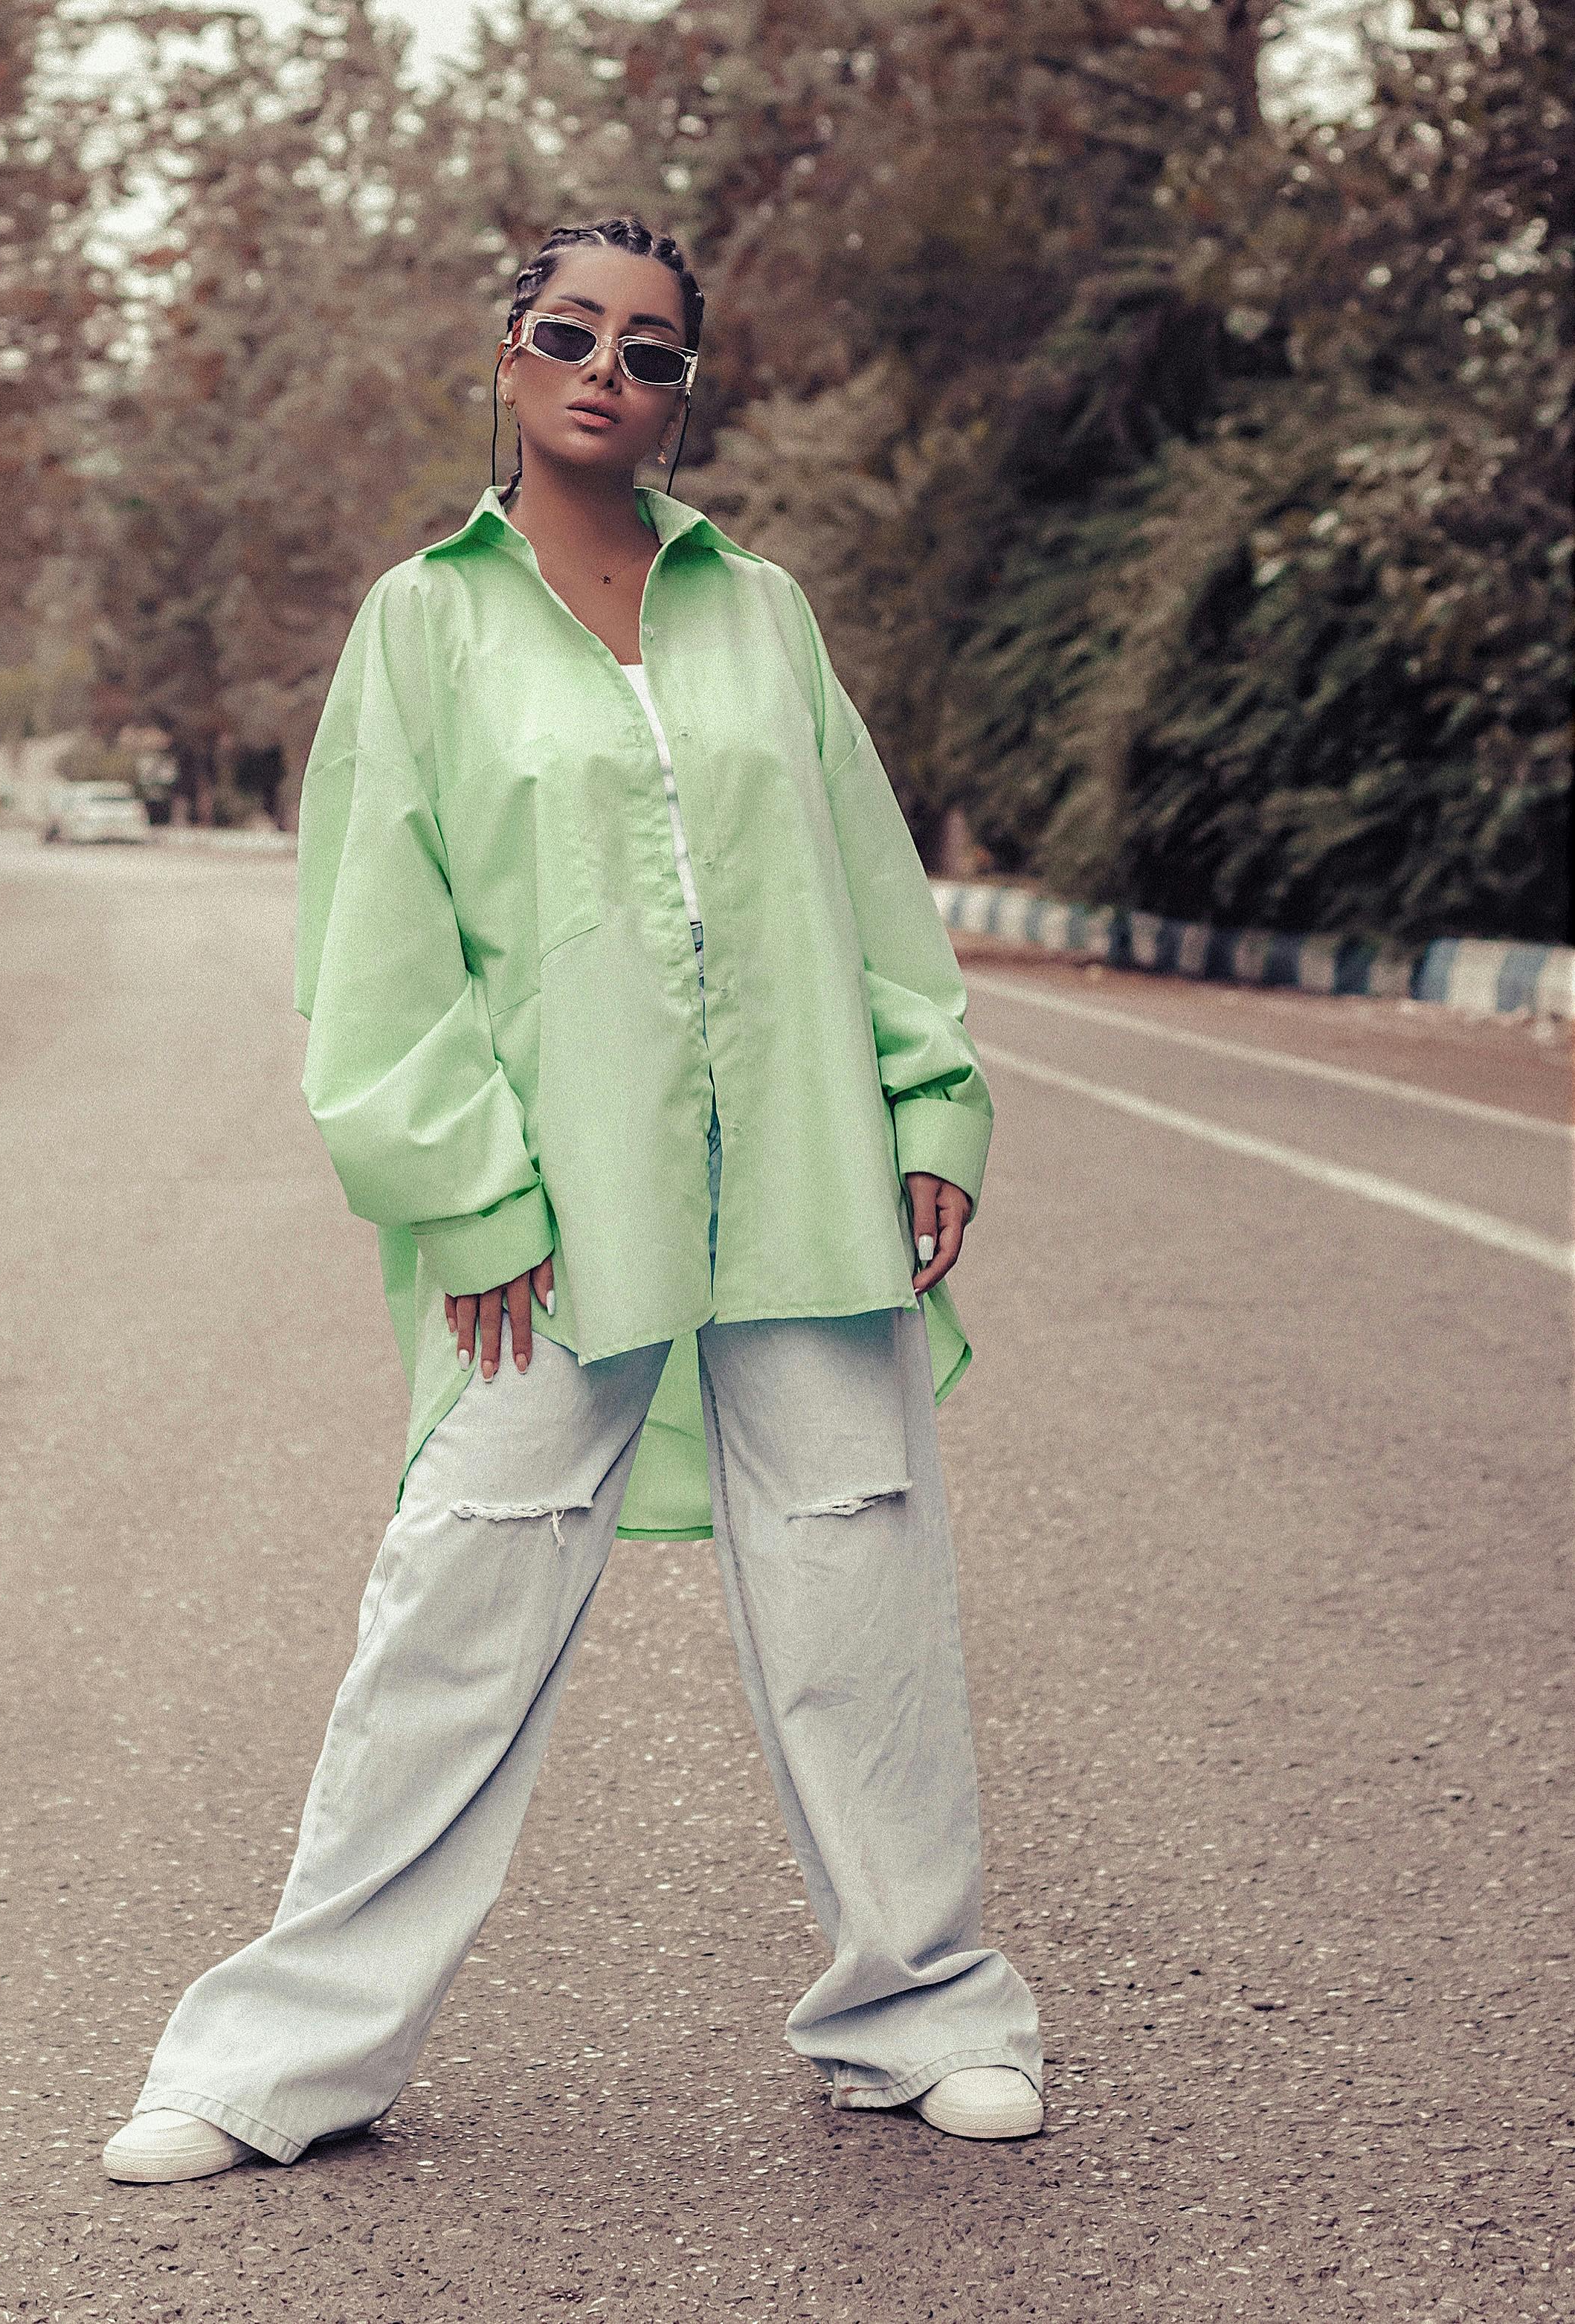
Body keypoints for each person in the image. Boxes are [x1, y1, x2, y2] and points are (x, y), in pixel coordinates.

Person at [103, 215, 1043, 2185]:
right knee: (455, 1599)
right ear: (506, 357)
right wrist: (467, 1192)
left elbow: (863, 879)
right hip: (547, 1203)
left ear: (687, 389)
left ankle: (920, 2004)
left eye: (654, 348)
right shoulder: (422, 622)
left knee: (855, 1583)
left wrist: (924, 1105)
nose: (610, 369)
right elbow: (378, 949)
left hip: (799, 1173)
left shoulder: (758, 612)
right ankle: (282, 2056)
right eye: (570, 333)